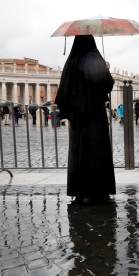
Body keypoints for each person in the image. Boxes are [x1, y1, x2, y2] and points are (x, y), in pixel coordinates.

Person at [55, 35, 116, 204]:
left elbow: (63, 92)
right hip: (94, 114)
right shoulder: (94, 58)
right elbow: (107, 84)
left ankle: (81, 191)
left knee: (79, 153)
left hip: (77, 116)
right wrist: (106, 69)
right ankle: (99, 190)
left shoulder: (71, 62)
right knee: (97, 151)